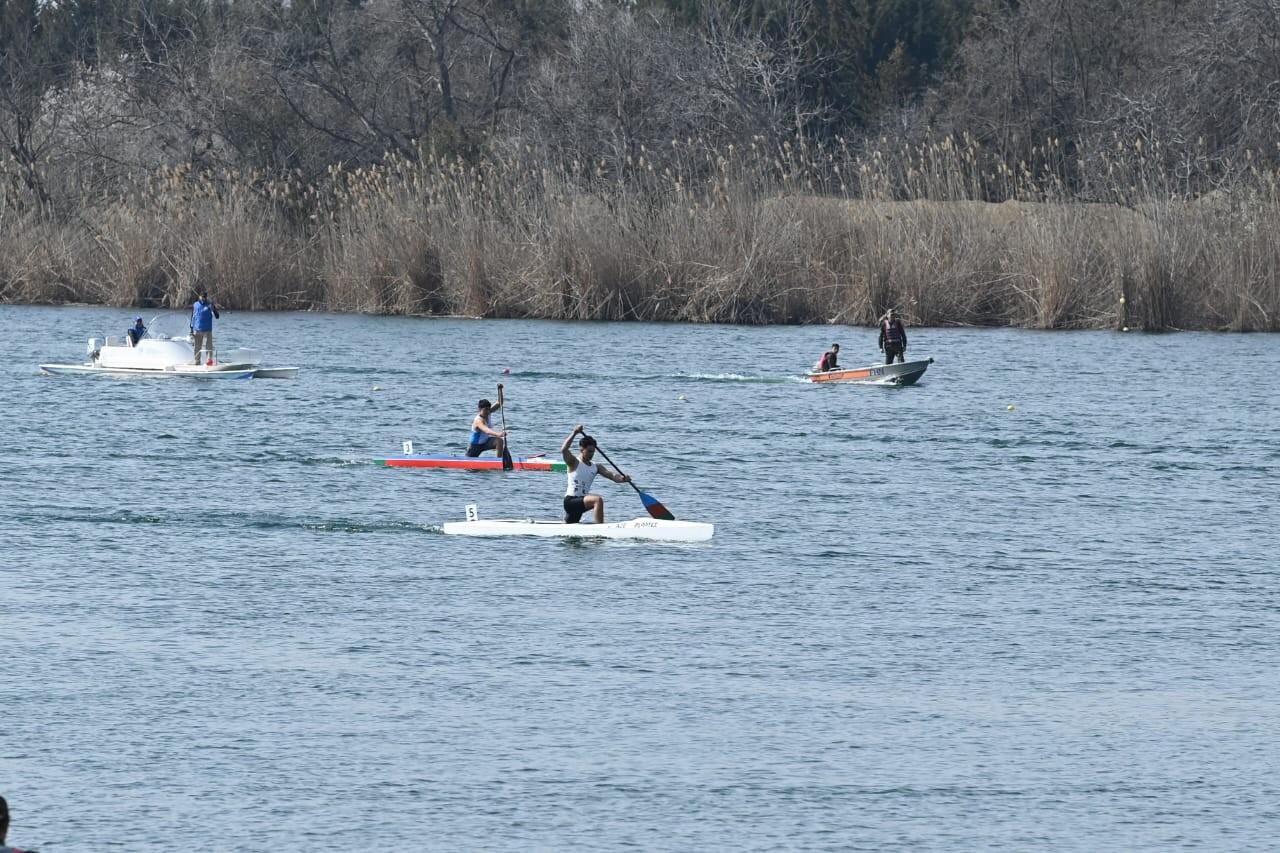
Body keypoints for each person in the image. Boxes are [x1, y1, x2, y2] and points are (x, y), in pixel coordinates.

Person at [560, 425, 630, 524]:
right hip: (571, 501)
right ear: (581, 449)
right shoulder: (574, 462)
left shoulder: (596, 467)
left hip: (581, 502)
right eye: (589, 451)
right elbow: (564, 450)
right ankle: (600, 530)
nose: (591, 454)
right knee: (597, 500)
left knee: (570, 525)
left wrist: (623, 479)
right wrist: (574, 433)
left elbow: (612, 476)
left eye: (593, 451)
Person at [465, 384, 507, 458]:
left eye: (488, 409)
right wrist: (498, 434)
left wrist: (500, 390)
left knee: (499, 441)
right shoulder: (478, 420)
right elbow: (487, 430)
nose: (488, 411)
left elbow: (499, 403)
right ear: (479, 409)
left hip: (486, 442)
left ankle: (498, 462)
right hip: (475, 446)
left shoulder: (488, 412)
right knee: (471, 468)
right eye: (485, 409)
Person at [190, 290, 220, 365]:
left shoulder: (209, 305)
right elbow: (192, 317)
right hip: (197, 329)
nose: (204, 298)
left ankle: (209, 361)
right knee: (197, 347)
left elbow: (217, 316)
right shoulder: (195, 305)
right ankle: (197, 362)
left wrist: (213, 308)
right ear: (199, 296)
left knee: (209, 346)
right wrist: (191, 329)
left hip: (208, 330)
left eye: (205, 297)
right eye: (202, 297)